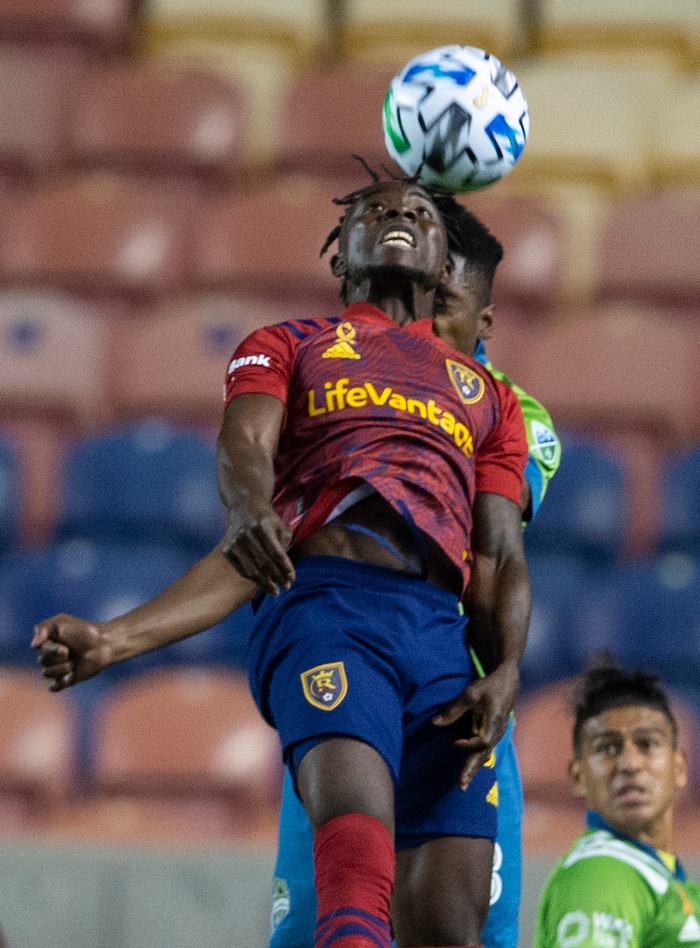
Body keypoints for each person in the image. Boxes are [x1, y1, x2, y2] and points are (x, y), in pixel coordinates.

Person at [34, 178, 532, 948]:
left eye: (421, 214)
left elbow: (500, 552)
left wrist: (505, 671)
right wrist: (248, 505)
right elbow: (244, 445)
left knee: (446, 926)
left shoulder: (490, 400)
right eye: (374, 211)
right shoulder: (287, 344)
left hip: (439, 641)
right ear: (341, 260)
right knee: (356, 867)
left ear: (445, 267)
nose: (398, 214)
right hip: (326, 610)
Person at [534, 659, 700, 948]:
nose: (629, 764)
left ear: (680, 767)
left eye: (647, 744)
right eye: (607, 748)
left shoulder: (657, 874)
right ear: (578, 776)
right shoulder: (601, 874)